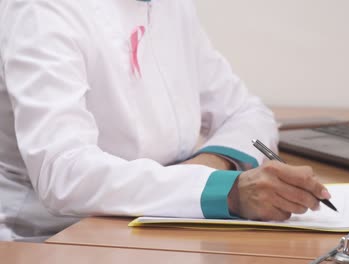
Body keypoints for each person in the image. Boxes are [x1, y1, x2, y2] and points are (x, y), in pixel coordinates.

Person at [0, 0, 331, 242]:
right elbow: (64, 174)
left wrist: (210, 166)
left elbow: (248, 112)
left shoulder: (169, 6)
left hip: (158, 218)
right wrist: (224, 192)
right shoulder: (41, 10)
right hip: (53, 238)